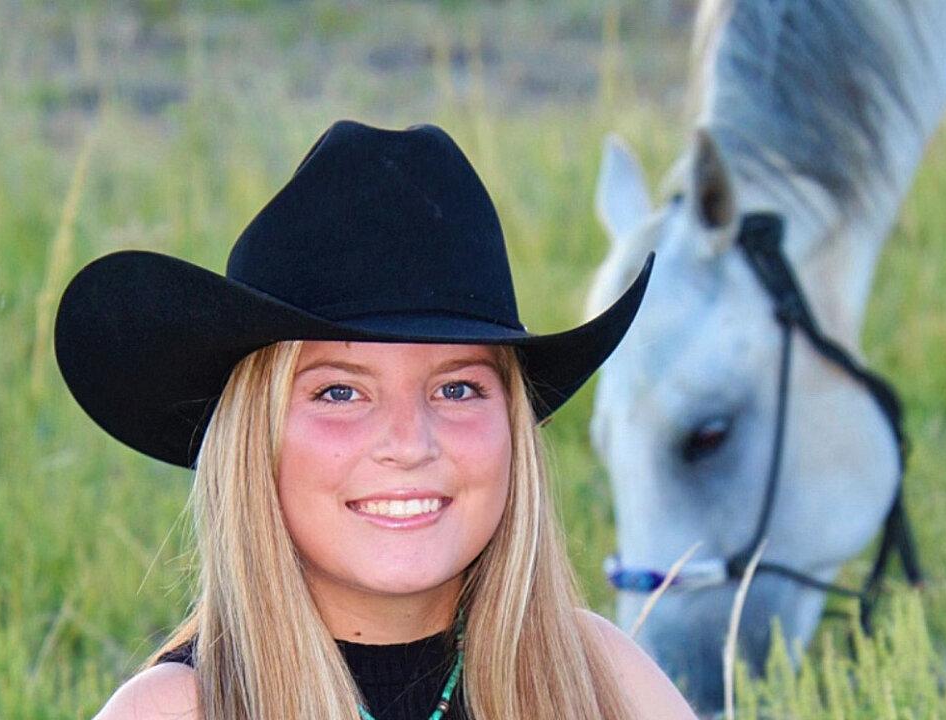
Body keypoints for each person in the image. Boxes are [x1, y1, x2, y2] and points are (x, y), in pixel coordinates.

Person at [55, 120, 697, 719]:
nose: (409, 443)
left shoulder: (596, 681)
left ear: (512, 424)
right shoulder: (176, 711)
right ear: (255, 438)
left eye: (456, 388)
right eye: (339, 393)